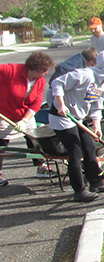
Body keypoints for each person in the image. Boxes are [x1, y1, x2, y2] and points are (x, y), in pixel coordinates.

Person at [49, 51, 104, 202]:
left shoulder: (103, 86)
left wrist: (96, 126)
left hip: (78, 118)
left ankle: (96, 183)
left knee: (89, 147)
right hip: (62, 117)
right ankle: (79, 191)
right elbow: (57, 83)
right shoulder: (84, 75)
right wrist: (61, 105)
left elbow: (96, 107)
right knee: (75, 151)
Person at [0, 52, 55, 187]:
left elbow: (36, 103)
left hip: (24, 114)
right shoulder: (11, 71)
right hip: (4, 113)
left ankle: (41, 167)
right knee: (1, 143)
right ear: (34, 68)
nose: (45, 73)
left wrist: (24, 120)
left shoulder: (40, 81)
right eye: (44, 70)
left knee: (34, 138)